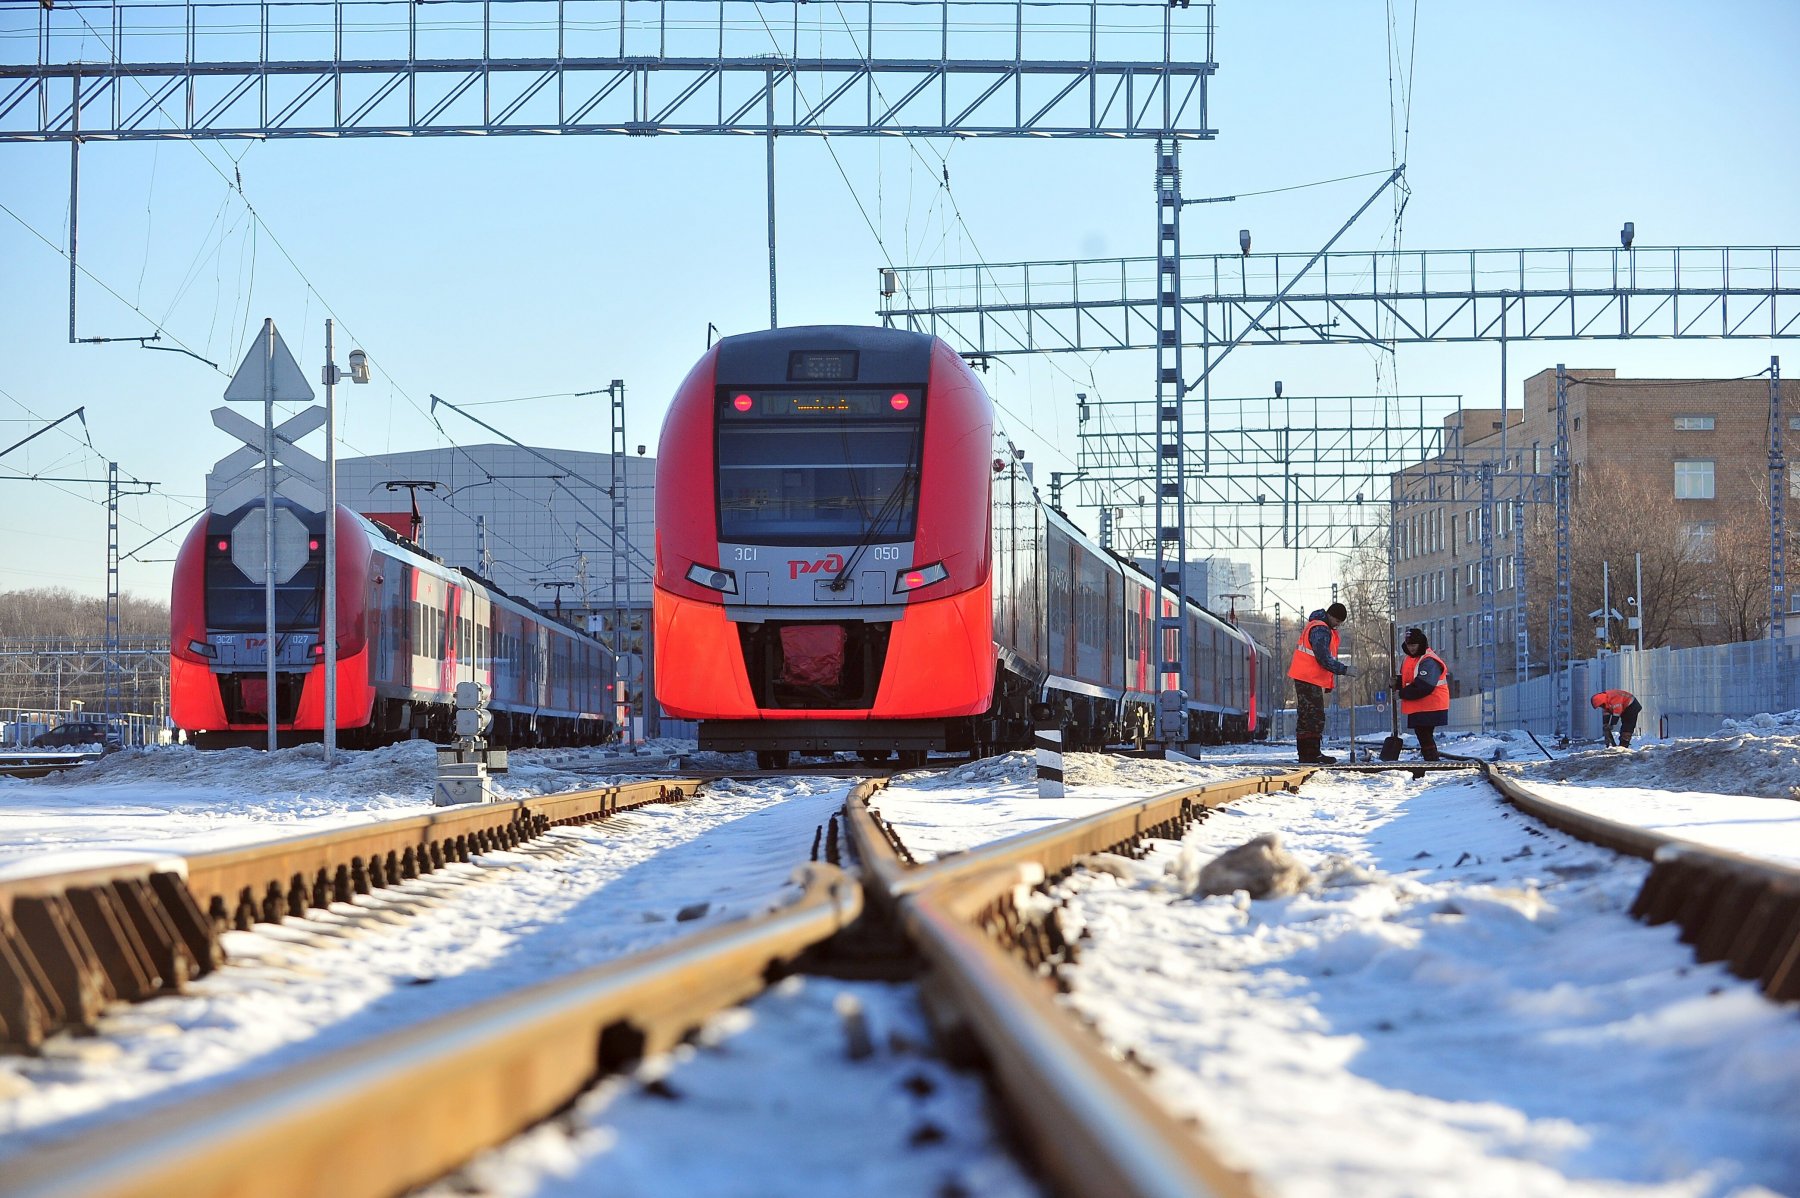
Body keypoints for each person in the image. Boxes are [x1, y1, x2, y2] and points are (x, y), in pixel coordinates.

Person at [1287, 601, 1352, 764]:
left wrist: (1329, 683)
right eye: (1337, 621)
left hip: (1307, 677)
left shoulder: (1318, 626)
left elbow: (1321, 658)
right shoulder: (1321, 629)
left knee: (1308, 716)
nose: (1337, 625)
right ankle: (1311, 754)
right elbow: (1323, 658)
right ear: (1330, 616)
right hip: (1307, 678)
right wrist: (1344, 669)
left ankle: (1307, 753)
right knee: (1313, 717)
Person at [1395, 627, 1449, 762]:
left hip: (1431, 704)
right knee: (1423, 734)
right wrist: (1397, 682)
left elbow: (1424, 686)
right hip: (1421, 705)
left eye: (1414, 645)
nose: (1411, 648)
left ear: (1421, 644)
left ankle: (1432, 761)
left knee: (1424, 734)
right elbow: (1409, 679)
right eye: (1409, 645)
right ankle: (1431, 761)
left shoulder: (1429, 660)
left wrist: (1401, 693)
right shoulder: (1410, 659)